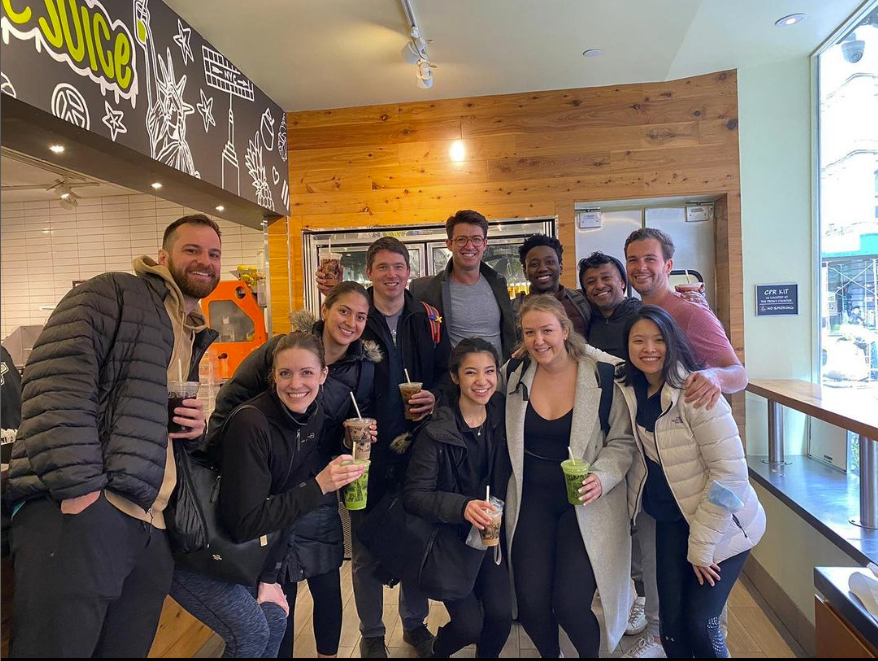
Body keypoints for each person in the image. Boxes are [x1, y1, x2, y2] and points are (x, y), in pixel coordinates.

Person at [6, 214, 223, 657]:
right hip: (83, 515)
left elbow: (135, 417)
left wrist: (191, 431)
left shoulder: (188, 329)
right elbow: (54, 386)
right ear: (162, 257)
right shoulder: (113, 293)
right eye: (192, 250)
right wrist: (81, 492)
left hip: (149, 523)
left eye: (214, 253)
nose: (205, 261)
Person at [180, 281, 379, 659]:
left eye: (360, 316)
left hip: (307, 486)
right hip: (247, 499)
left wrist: (349, 442)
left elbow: (338, 434)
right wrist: (229, 454)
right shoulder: (260, 404)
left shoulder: (344, 386)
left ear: (323, 375)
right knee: (268, 612)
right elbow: (232, 406)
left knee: (318, 585)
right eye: (286, 374)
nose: (297, 384)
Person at [319, 237, 448, 658]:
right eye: (383, 267)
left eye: (398, 267)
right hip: (363, 449)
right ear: (370, 272)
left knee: (416, 537)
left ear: (409, 272)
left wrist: (435, 396)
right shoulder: (356, 318)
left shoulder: (428, 317)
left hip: (419, 448)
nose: (392, 274)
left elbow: (447, 373)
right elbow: (331, 374)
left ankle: (414, 624)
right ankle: (372, 634)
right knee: (366, 548)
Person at [617, 306, 765, 658]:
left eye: (658, 340)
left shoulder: (698, 392)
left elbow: (730, 478)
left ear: (673, 343)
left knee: (701, 622)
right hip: (671, 518)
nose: (648, 349)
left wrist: (701, 548)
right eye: (638, 340)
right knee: (670, 627)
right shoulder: (631, 388)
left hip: (724, 525)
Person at [504, 295, 635, 658]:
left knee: (571, 604)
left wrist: (602, 476)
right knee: (530, 603)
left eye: (547, 330)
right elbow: (477, 391)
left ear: (565, 330)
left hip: (586, 501)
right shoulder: (514, 375)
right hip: (530, 498)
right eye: (529, 333)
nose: (539, 341)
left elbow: (623, 441)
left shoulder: (601, 376)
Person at [403, 338, 512, 658]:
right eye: (471, 372)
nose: (482, 381)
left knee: (501, 618)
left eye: (489, 371)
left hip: (489, 535)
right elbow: (414, 496)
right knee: (468, 627)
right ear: (455, 377)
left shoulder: (505, 413)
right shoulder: (437, 430)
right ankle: (438, 651)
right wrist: (462, 507)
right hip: (449, 540)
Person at [624, 228, 747, 410]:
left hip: (690, 419)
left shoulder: (691, 313)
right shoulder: (638, 314)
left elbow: (739, 376)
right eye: (633, 260)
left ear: (668, 266)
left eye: (650, 259)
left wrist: (714, 376)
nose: (641, 267)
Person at [411, 210, 516, 361]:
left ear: (485, 244)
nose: (469, 246)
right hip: (452, 375)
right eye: (461, 239)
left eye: (476, 239)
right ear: (449, 244)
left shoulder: (498, 283)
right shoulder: (425, 289)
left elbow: (509, 334)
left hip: (498, 375)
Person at [514, 234, 591, 337]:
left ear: (561, 267)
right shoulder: (514, 310)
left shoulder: (582, 302)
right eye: (534, 264)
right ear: (525, 272)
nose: (542, 268)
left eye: (549, 262)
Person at [579, 251, 641, 358]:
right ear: (586, 292)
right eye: (591, 282)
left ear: (622, 283)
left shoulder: (641, 315)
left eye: (606, 278)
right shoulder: (586, 320)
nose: (599, 286)